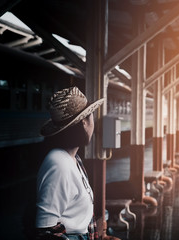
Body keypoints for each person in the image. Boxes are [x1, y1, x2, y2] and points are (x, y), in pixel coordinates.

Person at [35, 86, 104, 240]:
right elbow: (46, 230)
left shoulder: (73, 159)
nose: (94, 122)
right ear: (84, 123)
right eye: (91, 116)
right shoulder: (58, 163)